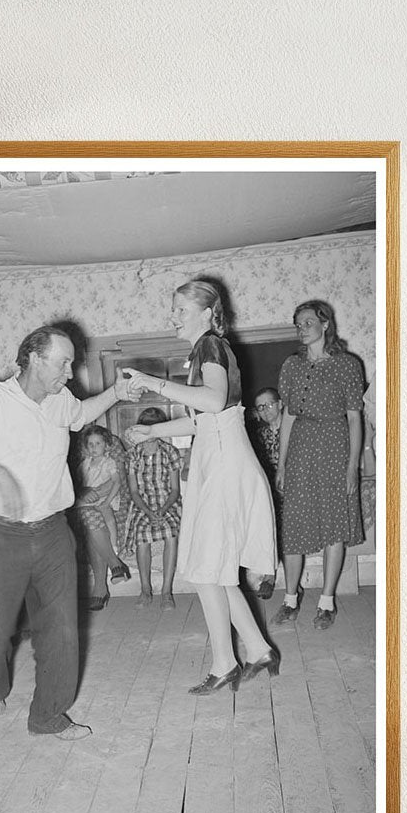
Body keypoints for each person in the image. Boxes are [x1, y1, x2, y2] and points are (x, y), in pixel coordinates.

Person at [0, 326, 139, 739]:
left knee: (63, 627)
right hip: (2, 536)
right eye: (63, 362)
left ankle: (47, 715)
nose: (70, 371)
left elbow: (81, 415)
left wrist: (117, 393)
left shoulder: (59, 399)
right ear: (33, 358)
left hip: (53, 532)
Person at [124, 280, 280, 695]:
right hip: (219, 458)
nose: (172, 316)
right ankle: (260, 650)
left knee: (207, 569)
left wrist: (151, 382)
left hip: (226, 465)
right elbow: (204, 419)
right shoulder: (204, 352)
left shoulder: (211, 345)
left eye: (180, 309)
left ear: (207, 312)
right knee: (216, 568)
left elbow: (211, 403)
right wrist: (152, 430)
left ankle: (224, 663)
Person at [273, 299, 365, 631]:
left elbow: (355, 419)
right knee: (294, 524)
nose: (302, 329)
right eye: (298, 324)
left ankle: (326, 602)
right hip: (300, 445)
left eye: (308, 322)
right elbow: (287, 417)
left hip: (334, 444)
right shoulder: (291, 366)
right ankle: (290, 598)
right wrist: (281, 464)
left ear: (325, 325)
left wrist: (352, 466)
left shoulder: (347, 365)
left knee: (334, 524)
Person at [123, 406, 182, 609]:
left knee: (171, 533)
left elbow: (175, 490)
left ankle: (166, 591)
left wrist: (163, 510)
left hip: (167, 503)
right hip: (142, 505)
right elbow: (134, 491)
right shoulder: (133, 455)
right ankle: (145, 589)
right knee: (142, 536)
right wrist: (148, 512)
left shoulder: (170, 452)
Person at [71, 425, 131, 610]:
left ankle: (100, 588)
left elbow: (118, 479)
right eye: (91, 444)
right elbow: (75, 481)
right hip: (81, 501)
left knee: (91, 520)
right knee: (89, 517)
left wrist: (96, 494)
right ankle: (115, 564)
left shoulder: (110, 456)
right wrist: (82, 491)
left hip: (106, 500)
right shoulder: (81, 457)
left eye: (98, 443)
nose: (94, 447)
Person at [250, 387, 283, 600]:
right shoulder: (260, 435)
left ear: (280, 404)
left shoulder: (294, 429)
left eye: (269, 405)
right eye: (261, 407)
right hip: (268, 491)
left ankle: (283, 578)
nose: (265, 411)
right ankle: (268, 576)